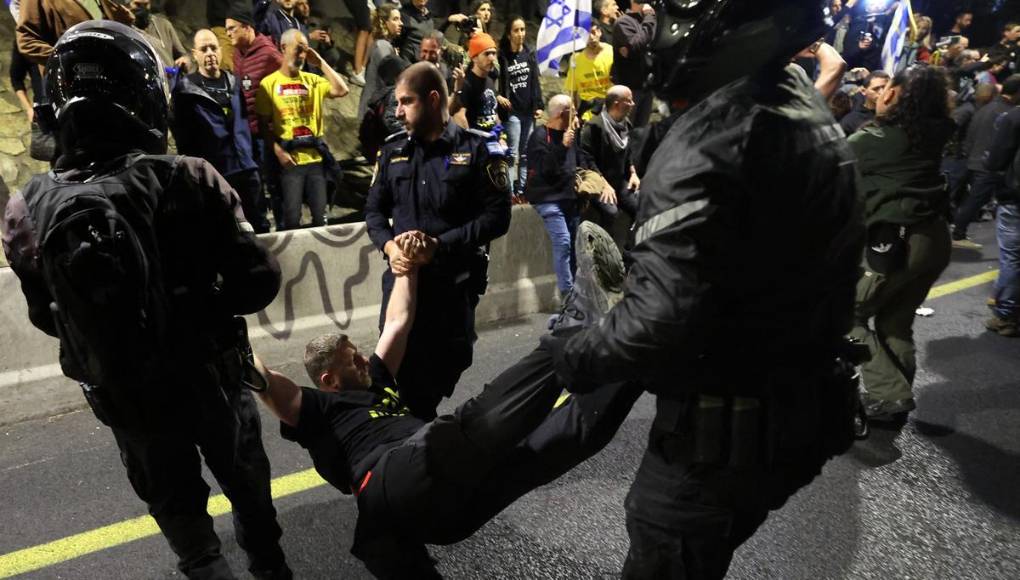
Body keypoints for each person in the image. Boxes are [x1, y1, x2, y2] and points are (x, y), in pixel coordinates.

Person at [541, 2, 864, 577]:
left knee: (668, 547)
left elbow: (655, 322)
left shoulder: (716, 137)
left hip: (724, 432)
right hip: (800, 409)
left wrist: (575, 353)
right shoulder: (800, 104)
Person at [2, 21, 291, 579]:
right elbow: (259, 281)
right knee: (249, 495)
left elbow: (46, 315)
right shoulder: (191, 177)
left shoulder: (25, 208)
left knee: (189, 534)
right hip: (210, 378)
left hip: (124, 395)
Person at [252, 223, 640, 578]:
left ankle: (637, 354)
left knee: (549, 447)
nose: (363, 359)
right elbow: (266, 383)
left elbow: (398, 321)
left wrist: (406, 266)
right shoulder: (318, 409)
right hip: (392, 480)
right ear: (329, 381)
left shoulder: (377, 378)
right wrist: (231, 334)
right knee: (472, 424)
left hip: (447, 507)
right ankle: (574, 326)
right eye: (352, 360)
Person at [364, 62, 511, 419]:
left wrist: (439, 246)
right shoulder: (392, 150)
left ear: (432, 100)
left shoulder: (478, 149)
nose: (398, 112)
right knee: (397, 384)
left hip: (452, 286)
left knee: (440, 372)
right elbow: (373, 213)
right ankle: (412, 442)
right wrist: (390, 247)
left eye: (406, 101)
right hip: (402, 286)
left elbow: (497, 217)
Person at [849, 65, 956, 422]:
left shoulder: (873, 140)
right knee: (895, 322)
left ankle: (889, 394)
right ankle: (893, 404)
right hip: (933, 239)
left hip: (893, 242)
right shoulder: (934, 132)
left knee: (846, 315)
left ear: (893, 94)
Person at [171, 29, 269, 233]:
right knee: (224, 230)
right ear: (195, 54)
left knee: (259, 227)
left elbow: (246, 124)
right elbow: (184, 137)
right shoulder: (185, 90)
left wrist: (253, 160)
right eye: (204, 49)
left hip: (246, 169)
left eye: (213, 48)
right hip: (215, 174)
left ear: (221, 50)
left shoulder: (234, 82)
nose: (210, 53)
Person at [255, 28, 350, 230]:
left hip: (315, 159)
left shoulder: (312, 80)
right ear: (283, 48)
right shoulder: (269, 84)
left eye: (305, 50)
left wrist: (320, 63)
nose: (301, 55)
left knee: (321, 218)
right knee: (291, 218)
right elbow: (263, 125)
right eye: (298, 49)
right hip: (290, 162)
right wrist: (278, 152)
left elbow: (342, 89)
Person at [526, 94, 615, 299]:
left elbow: (583, 158)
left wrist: (601, 180)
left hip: (570, 198)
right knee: (563, 242)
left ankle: (578, 292)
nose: (576, 114)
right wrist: (562, 147)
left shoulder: (571, 134)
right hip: (548, 199)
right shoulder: (540, 136)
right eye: (572, 111)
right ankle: (567, 295)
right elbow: (544, 169)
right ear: (561, 113)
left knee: (575, 245)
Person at [953, 76, 1020, 250]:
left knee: (972, 199)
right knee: (975, 200)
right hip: (988, 164)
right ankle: (958, 233)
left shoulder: (986, 108)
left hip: (974, 159)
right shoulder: (1008, 113)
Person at [580, 85, 640, 244]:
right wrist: (604, 184)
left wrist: (633, 173)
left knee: (641, 206)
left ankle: (630, 249)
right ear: (616, 103)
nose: (633, 104)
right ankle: (603, 249)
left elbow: (628, 153)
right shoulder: (594, 127)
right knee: (611, 212)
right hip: (598, 181)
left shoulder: (626, 124)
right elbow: (587, 159)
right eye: (629, 101)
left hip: (619, 182)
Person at [984, 88, 1020, 336]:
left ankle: (1006, 315)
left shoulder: (1014, 117)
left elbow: (995, 160)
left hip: (1015, 198)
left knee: (1012, 258)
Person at [498, 16, 543, 196]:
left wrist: (538, 104)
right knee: (512, 153)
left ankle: (523, 190)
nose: (520, 33)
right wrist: (498, 96)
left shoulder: (529, 53)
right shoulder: (502, 56)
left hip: (528, 111)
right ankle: (509, 193)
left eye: (522, 29)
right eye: (516, 30)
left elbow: (535, 81)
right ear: (509, 34)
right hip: (512, 112)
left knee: (526, 153)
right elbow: (496, 80)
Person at [15, 0, 131, 65]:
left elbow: (120, 20)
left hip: (115, 72)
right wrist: (68, 58)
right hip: (76, 83)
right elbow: (27, 41)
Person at [611, 1, 656, 127]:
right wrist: (649, 17)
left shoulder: (651, 19)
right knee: (625, 130)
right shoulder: (624, 22)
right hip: (630, 90)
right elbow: (636, 46)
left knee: (641, 130)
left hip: (647, 86)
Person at [358, 3, 403, 120]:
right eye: (395, 19)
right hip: (373, 112)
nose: (401, 23)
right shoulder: (382, 47)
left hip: (375, 108)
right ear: (384, 22)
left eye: (400, 19)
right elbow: (391, 81)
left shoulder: (383, 45)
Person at [450, 32, 502, 132]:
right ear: (474, 58)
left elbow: (494, 113)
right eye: (487, 54)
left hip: (491, 138)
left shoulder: (490, 81)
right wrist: (472, 138)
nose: (491, 58)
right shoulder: (466, 83)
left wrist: (501, 135)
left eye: (493, 53)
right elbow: (459, 117)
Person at [565, 24, 614, 121]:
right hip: (586, 111)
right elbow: (572, 91)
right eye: (586, 34)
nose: (591, 37)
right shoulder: (576, 59)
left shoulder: (611, 51)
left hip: (608, 109)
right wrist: (573, 115)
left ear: (599, 32)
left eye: (593, 32)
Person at [396, 0, 469, 64]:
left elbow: (434, 34)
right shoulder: (403, 16)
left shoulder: (428, 14)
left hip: (428, 63)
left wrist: (448, 20)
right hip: (410, 65)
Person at [128, 0, 189, 74]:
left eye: (146, 4)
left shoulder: (163, 25)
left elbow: (183, 55)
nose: (142, 8)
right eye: (137, 4)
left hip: (169, 77)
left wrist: (185, 61)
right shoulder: (124, 28)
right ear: (128, 5)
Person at [840, 70, 889, 135]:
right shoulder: (850, 121)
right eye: (875, 89)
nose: (882, 92)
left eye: (886, 88)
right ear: (863, 91)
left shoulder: (898, 113)